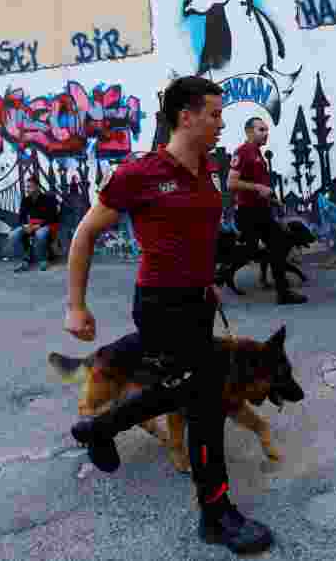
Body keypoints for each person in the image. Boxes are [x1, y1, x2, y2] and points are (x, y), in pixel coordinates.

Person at [63, 76, 274, 555]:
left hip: (197, 301)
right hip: (161, 305)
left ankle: (99, 428)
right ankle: (216, 514)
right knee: (203, 401)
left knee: (180, 388)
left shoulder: (208, 168)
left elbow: (196, 236)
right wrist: (76, 306)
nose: (223, 124)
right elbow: (85, 234)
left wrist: (207, 283)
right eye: (215, 115)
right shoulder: (140, 173)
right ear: (186, 116)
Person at [227, 117, 307, 305]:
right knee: (250, 250)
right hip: (248, 212)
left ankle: (283, 292)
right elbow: (230, 183)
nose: (265, 133)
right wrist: (257, 188)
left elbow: (260, 188)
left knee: (276, 245)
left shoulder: (257, 154)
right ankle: (218, 277)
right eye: (261, 130)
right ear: (249, 132)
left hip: (261, 210)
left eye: (266, 130)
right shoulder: (243, 152)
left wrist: (273, 200)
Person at [7, 175, 60, 272]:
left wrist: (37, 226)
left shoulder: (48, 199)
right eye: (26, 187)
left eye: (29, 187)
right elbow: (21, 216)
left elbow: (52, 217)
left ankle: (42, 260)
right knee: (13, 235)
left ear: (37, 187)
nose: (27, 189)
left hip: (45, 225)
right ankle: (25, 258)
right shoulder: (26, 200)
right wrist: (25, 226)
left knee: (40, 234)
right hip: (31, 225)